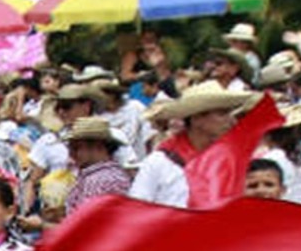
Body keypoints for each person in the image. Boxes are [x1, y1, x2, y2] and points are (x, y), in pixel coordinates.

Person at [128, 83, 258, 208]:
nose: (232, 121)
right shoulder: (161, 162)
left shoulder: (234, 160)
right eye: (222, 114)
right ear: (197, 119)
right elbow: (136, 209)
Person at [62, 117, 132, 216]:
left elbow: (90, 224)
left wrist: (43, 225)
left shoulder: (107, 180)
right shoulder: (90, 177)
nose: (71, 154)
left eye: (76, 148)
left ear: (98, 146)